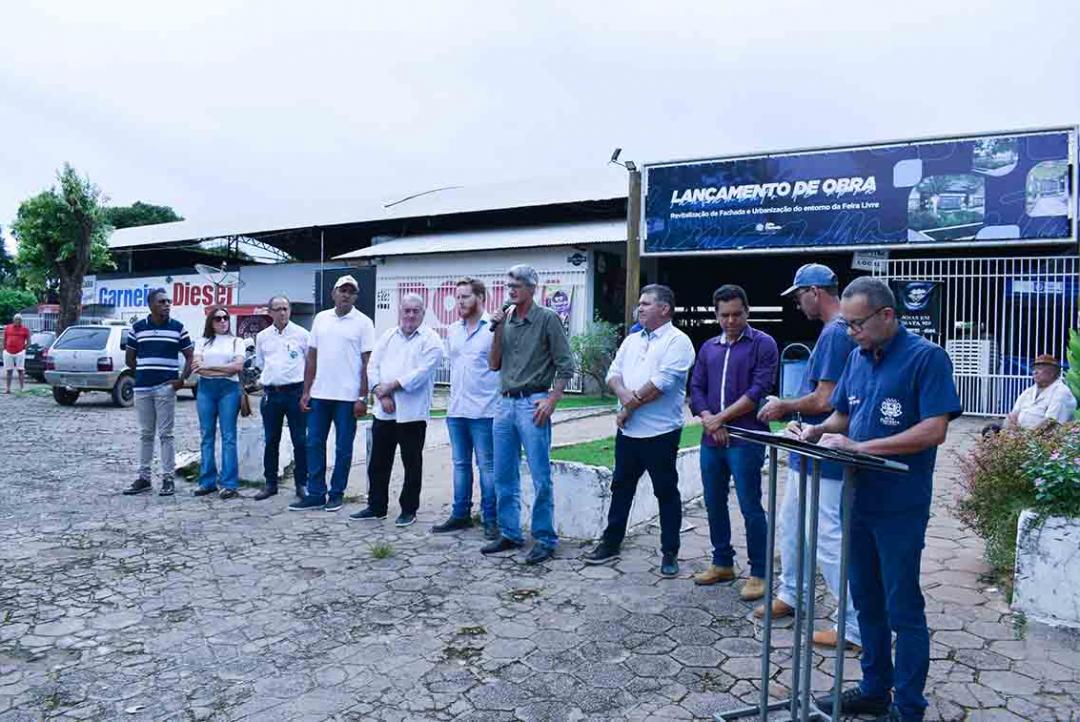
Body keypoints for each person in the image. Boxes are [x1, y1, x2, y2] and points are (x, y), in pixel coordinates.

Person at [801, 277, 962, 722]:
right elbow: (844, 415)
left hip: (899, 505)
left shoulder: (925, 359)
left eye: (857, 324)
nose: (850, 332)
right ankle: (875, 688)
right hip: (859, 499)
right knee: (866, 600)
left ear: (887, 315)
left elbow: (935, 429)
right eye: (848, 325)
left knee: (901, 606)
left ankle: (908, 706)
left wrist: (860, 449)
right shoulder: (857, 356)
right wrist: (816, 431)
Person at [756, 264, 862, 651]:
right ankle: (794, 593)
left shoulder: (835, 334)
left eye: (800, 295)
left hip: (827, 447)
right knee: (793, 525)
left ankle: (853, 626)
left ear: (815, 292)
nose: (798, 304)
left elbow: (824, 399)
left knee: (827, 537)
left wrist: (783, 405)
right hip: (811, 445)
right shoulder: (832, 333)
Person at [582, 284, 695, 576]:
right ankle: (611, 542)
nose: (639, 308)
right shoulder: (632, 340)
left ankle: (670, 552)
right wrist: (623, 396)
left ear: (664, 309)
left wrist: (628, 408)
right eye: (640, 304)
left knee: (665, 492)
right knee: (621, 488)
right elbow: (613, 374)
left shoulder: (678, 342)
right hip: (629, 433)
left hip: (660, 434)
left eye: (646, 304)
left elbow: (662, 384)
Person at [688, 284, 778, 600]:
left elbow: (758, 391)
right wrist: (710, 419)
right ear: (716, 314)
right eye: (724, 315)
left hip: (747, 439)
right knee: (713, 501)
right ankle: (722, 562)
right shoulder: (709, 347)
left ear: (747, 312)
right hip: (712, 439)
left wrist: (720, 418)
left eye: (737, 314)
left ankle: (760, 572)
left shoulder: (763, 344)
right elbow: (695, 388)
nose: (730, 321)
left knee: (750, 505)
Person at [482, 264, 574, 565]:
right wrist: (495, 329)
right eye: (509, 286)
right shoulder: (505, 320)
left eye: (517, 286)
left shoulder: (547, 318)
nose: (512, 291)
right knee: (503, 474)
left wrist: (552, 400)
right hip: (505, 403)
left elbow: (565, 365)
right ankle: (510, 533)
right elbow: (494, 364)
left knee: (540, 475)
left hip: (533, 402)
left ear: (532, 289)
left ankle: (545, 538)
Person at [352, 293, 443, 526]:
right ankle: (376, 506)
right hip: (384, 411)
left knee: (412, 464)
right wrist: (381, 395)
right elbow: (373, 365)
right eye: (406, 310)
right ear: (400, 312)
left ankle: (409, 509)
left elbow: (421, 374)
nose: (410, 315)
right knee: (378, 463)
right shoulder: (388, 336)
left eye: (415, 311)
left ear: (423, 313)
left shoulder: (432, 340)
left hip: (412, 413)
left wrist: (390, 387)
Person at [289, 275, 375, 512]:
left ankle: (337, 493)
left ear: (355, 296)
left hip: (348, 398)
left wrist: (362, 397)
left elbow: (368, 362)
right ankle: (316, 493)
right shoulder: (321, 319)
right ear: (333, 293)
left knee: (343, 448)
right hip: (320, 394)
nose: (346, 294)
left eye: (351, 291)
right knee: (314, 443)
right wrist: (306, 391)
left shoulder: (364, 323)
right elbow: (312, 356)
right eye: (342, 290)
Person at [432, 277, 501, 539]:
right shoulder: (453, 330)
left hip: (484, 411)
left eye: (466, 296)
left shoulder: (493, 328)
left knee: (487, 467)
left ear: (481, 297)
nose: (460, 301)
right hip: (456, 410)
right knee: (460, 464)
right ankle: (460, 514)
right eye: (458, 297)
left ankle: (490, 519)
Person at [122, 289, 194, 496]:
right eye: (162, 302)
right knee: (146, 434)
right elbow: (129, 359)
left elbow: (190, 356)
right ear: (151, 305)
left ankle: (168, 478)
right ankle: (144, 478)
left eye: (168, 301)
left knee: (166, 435)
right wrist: (144, 372)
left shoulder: (177, 328)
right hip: (143, 388)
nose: (167, 305)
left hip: (166, 388)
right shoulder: (137, 328)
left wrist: (182, 380)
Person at [253, 295, 310, 500]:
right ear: (270, 312)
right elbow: (261, 364)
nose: (282, 312)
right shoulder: (262, 337)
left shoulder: (303, 334)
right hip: (272, 394)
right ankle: (270, 483)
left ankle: (302, 483)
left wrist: (307, 393)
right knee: (271, 440)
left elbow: (310, 364)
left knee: (300, 440)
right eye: (277, 309)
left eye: (285, 308)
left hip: (296, 393)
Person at [191, 305, 246, 499]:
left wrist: (210, 367)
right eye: (218, 318)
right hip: (206, 388)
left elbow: (237, 367)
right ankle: (207, 481)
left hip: (228, 390)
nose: (223, 321)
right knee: (207, 435)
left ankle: (229, 483)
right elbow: (197, 368)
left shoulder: (236, 341)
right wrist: (223, 367)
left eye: (225, 318)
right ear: (211, 322)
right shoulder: (202, 342)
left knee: (228, 435)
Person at [1005, 354, 1076, 431]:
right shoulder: (1029, 391)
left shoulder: (1061, 392)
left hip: (1045, 439)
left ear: (1052, 372)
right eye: (1034, 369)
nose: (1034, 372)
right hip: (1020, 437)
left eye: (1039, 368)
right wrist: (1011, 429)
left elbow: (1050, 422)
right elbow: (1013, 414)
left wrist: (1025, 436)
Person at [3, 314, 31, 394]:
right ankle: (8, 389)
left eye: (19, 320)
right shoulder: (8, 328)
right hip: (8, 351)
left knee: (20, 370)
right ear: (13, 320)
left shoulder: (25, 329)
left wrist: (24, 348)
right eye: (16, 319)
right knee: (9, 371)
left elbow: (28, 341)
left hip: (20, 352)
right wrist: (4, 348)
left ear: (21, 321)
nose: (17, 321)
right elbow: (4, 339)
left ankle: (22, 388)